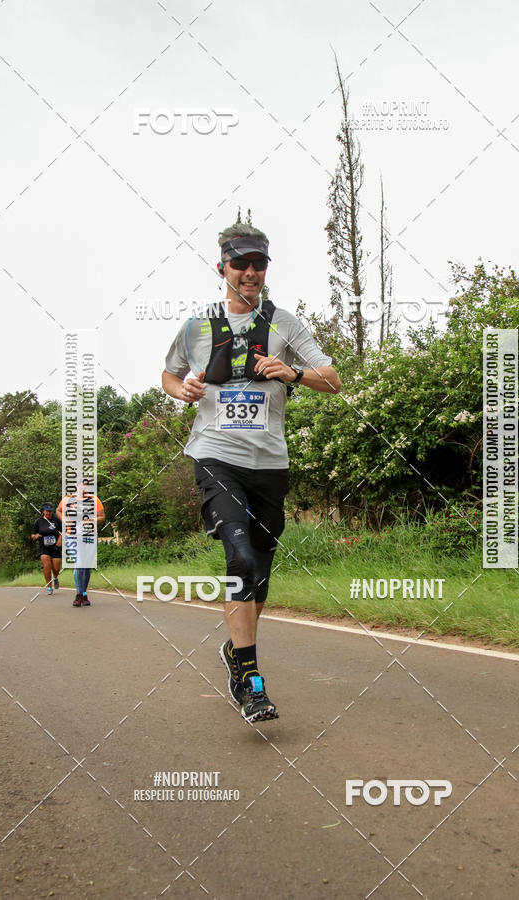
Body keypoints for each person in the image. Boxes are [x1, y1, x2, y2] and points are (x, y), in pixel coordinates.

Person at [162, 223, 341, 723]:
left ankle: (233, 651)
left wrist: (293, 373)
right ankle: (250, 680)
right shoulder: (198, 326)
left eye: (258, 264)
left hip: (269, 464)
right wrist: (183, 392)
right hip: (215, 456)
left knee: (258, 571)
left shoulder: (285, 324)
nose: (250, 272)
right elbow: (169, 373)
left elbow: (333, 379)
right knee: (238, 556)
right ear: (222, 267)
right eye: (240, 263)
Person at [56, 483, 105, 607]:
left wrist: (90, 520)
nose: (84, 489)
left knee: (87, 566)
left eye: (87, 486)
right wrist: (65, 520)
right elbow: (58, 510)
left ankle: (84, 593)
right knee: (78, 564)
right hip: (72, 535)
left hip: (89, 535)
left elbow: (102, 517)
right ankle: (79, 594)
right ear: (76, 487)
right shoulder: (67, 499)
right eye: (81, 486)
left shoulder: (94, 500)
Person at [31, 503, 62, 594]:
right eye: (47, 511)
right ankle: (49, 586)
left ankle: (55, 578)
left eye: (50, 511)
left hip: (55, 546)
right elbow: (33, 535)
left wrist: (60, 539)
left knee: (56, 568)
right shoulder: (38, 521)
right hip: (44, 547)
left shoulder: (56, 520)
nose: (49, 513)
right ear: (43, 511)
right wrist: (35, 536)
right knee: (47, 565)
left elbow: (64, 531)